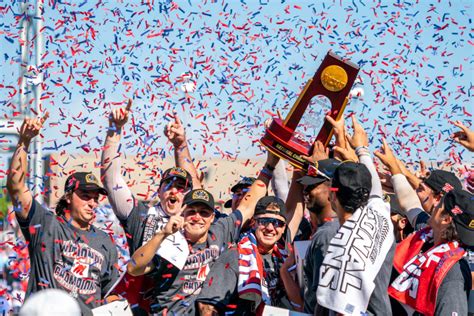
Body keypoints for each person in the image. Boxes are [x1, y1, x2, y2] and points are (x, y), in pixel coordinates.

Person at [127, 150, 280, 314]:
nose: (197, 217)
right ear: (183, 214)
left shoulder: (219, 232)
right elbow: (134, 269)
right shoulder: (171, 243)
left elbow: (248, 205)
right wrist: (162, 234)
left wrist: (269, 166)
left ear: (212, 217)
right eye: (191, 211)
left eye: (204, 213)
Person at [7, 115, 119, 315]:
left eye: (95, 198)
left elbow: (110, 291)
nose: (92, 203)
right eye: (85, 196)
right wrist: (24, 141)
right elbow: (16, 188)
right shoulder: (46, 224)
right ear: (68, 196)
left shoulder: (105, 241)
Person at [101, 101, 199, 314]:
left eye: (181, 188)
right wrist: (115, 130)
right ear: (159, 191)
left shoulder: (198, 220)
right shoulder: (142, 215)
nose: (174, 191)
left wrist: (181, 145)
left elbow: (198, 190)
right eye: (169, 185)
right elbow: (111, 181)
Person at [375, 139, 472, 315]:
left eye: (440, 204)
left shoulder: (453, 271)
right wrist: (394, 168)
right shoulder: (427, 235)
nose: (435, 206)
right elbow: (409, 204)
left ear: (445, 219)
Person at [315, 115, 395, 315]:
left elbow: (343, 309)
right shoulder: (379, 215)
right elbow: (375, 190)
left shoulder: (343, 249)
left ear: (333, 195)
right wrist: (362, 149)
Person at [195, 195, 303, 315]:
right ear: (253, 223)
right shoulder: (235, 256)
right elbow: (207, 307)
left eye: (277, 223)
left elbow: (297, 210)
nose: (270, 228)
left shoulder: (284, 256)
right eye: (264, 221)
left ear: (284, 228)